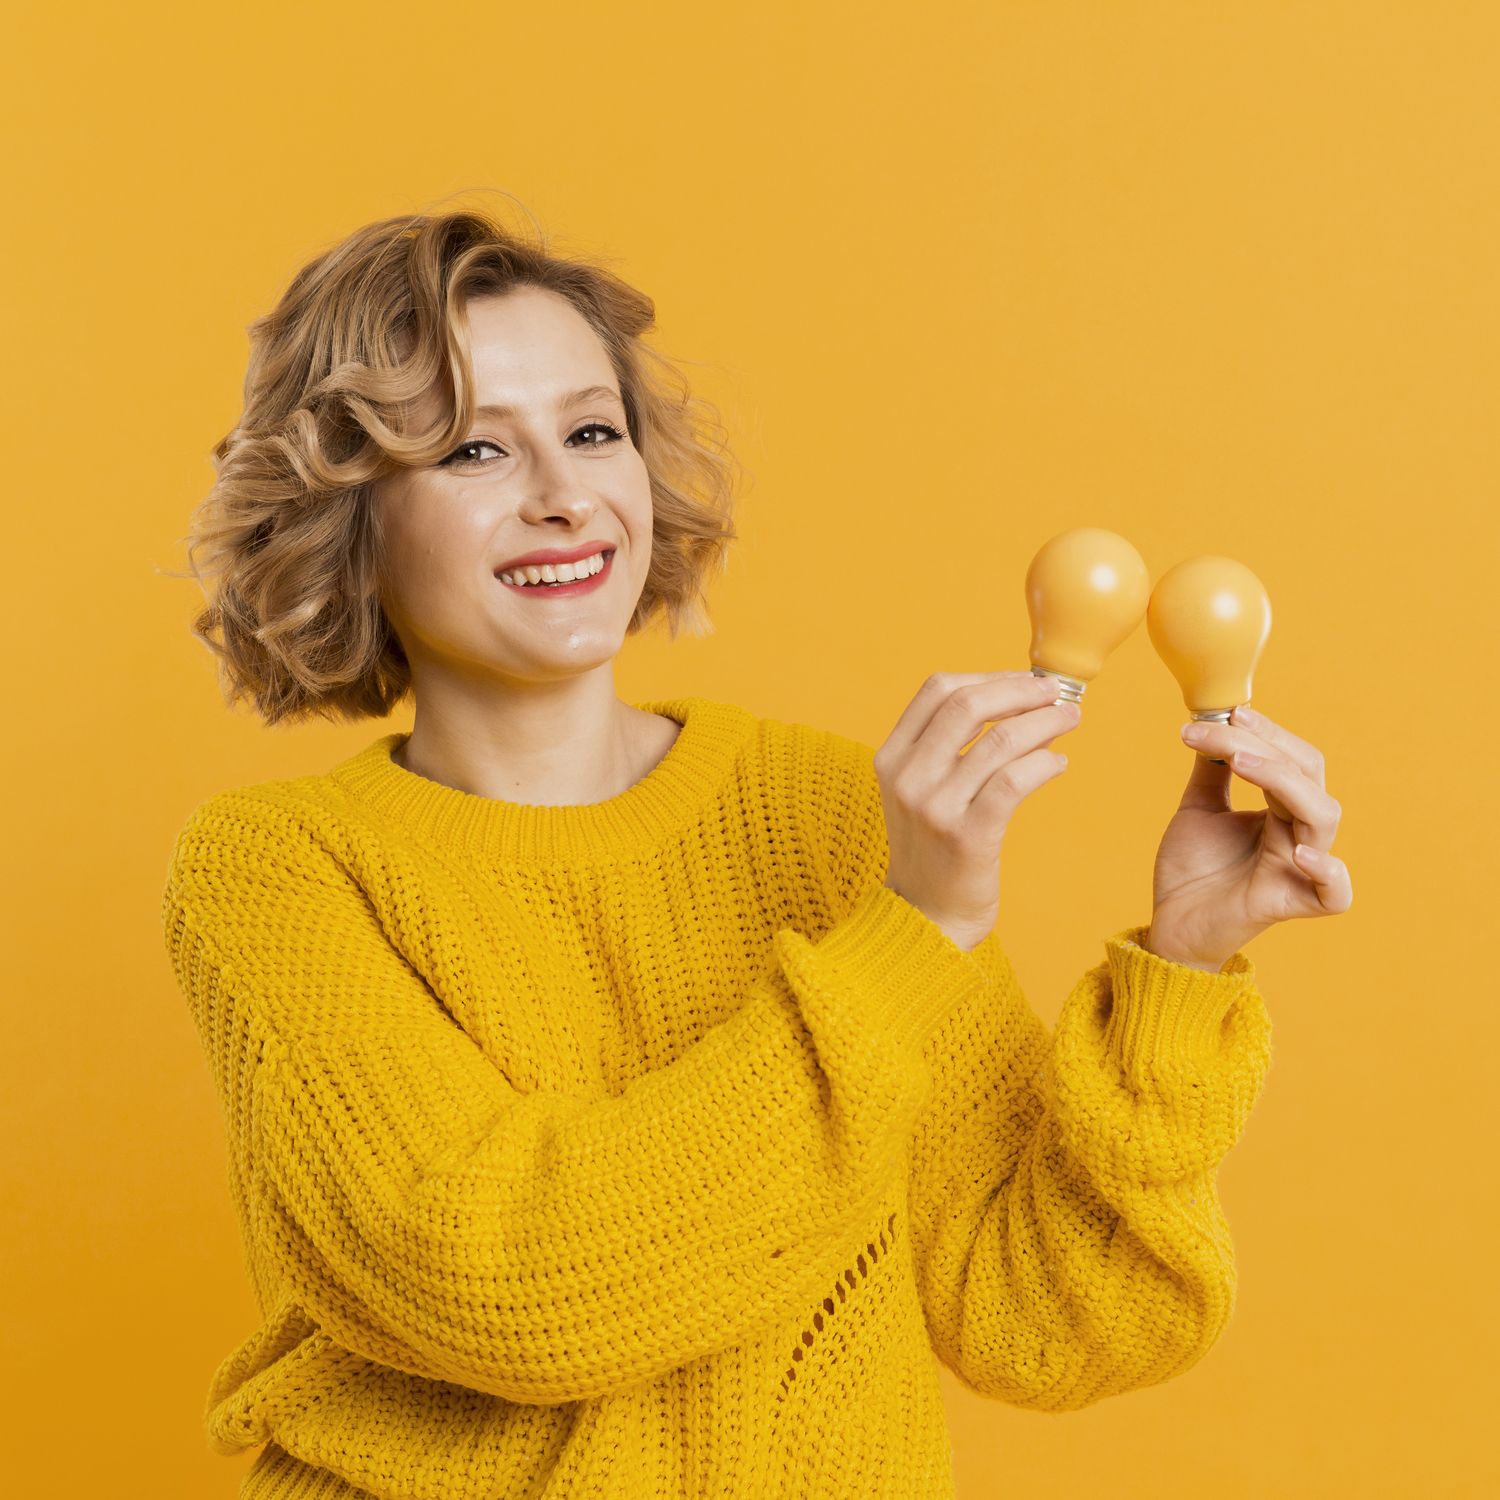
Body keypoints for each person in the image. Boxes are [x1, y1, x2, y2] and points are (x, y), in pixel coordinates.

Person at [165, 208, 1351, 1500]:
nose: (563, 497)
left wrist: (1183, 969)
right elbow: (496, 1284)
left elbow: (1047, 1320)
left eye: (593, 432)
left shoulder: (829, 815)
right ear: (348, 514)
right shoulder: (278, 869)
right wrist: (910, 937)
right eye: (473, 449)